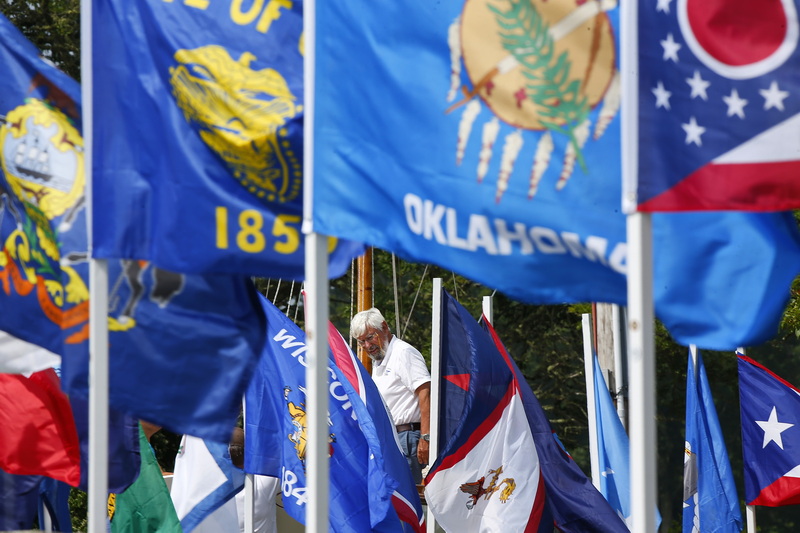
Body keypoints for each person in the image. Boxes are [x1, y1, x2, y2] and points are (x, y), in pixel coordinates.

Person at [351, 308, 431, 484]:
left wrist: (426, 437)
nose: (367, 346)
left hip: (407, 437)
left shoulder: (403, 353)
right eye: (361, 341)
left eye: (370, 337)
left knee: (407, 498)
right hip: (391, 439)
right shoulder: (380, 360)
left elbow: (425, 392)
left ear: (384, 327)